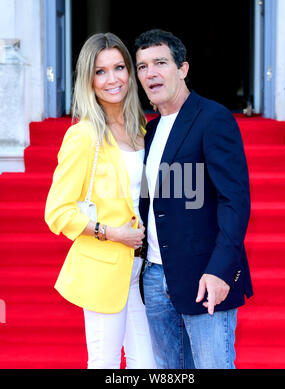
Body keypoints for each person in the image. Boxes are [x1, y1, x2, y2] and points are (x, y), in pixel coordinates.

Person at [134, 29, 253, 369]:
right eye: (142, 66)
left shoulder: (213, 118)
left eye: (160, 63)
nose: (150, 73)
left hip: (204, 278)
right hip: (156, 275)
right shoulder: (152, 130)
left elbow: (235, 202)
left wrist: (219, 271)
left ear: (183, 69)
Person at [45, 32, 156, 369]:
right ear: (88, 80)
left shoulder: (143, 130)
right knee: (105, 362)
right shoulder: (83, 135)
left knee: (148, 364)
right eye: (100, 71)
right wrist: (110, 232)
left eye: (119, 67)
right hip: (105, 265)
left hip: (143, 268)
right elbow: (57, 212)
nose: (113, 79)